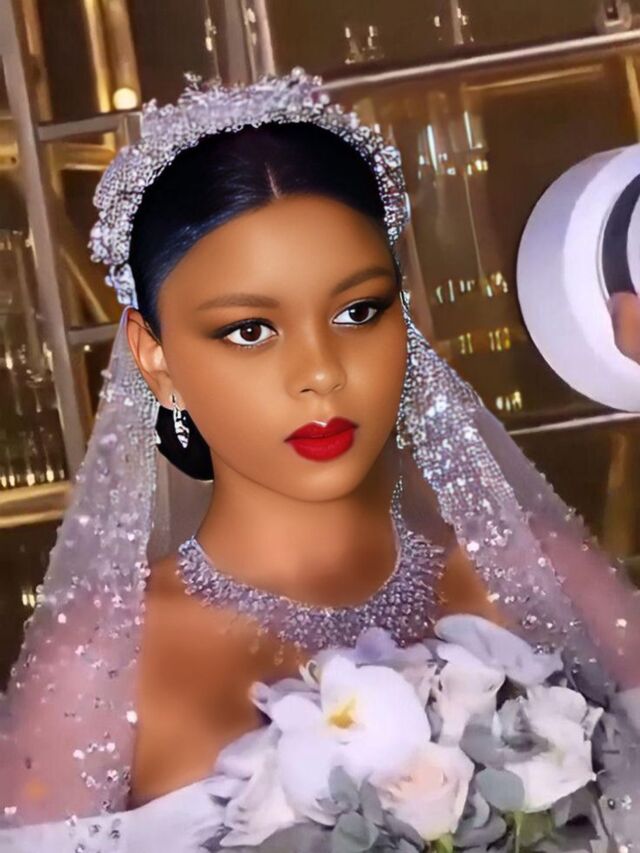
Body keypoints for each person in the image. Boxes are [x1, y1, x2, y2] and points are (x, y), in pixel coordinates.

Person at [0, 68, 639, 851]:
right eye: (249, 330)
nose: (321, 372)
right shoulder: (104, 658)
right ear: (154, 356)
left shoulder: (532, 570)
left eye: (358, 311)